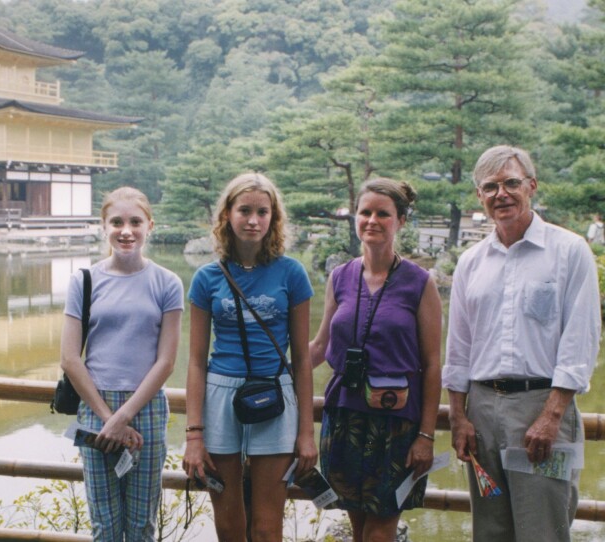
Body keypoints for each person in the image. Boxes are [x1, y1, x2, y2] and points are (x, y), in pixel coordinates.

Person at [444, 145, 601, 542]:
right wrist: (459, 416)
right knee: (490, 525)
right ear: (480, 196)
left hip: (542, 407)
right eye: (490, 186)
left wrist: (552, 416)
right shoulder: (472, 262)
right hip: (482, 411)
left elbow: (581, 337)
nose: (502, 194)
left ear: (531, 185)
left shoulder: (568, 251)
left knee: (543, 527)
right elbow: (459, 345)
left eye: (511, 183)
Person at [182, 172, 317, 542]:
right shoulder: (206, 278)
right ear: (227, 214)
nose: (253, 220)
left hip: (275, 393)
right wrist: (194, 434)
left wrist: (306, 432)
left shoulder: (292, 273)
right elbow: (195, 361)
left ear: (274, 217)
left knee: (266, 526)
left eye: (262, 211)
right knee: (228, 525)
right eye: (244, 210)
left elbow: (302, 360)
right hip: (220, 394)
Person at [308, 177, 442, 542]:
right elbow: (321, 345)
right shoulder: (340, 276)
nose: (372, 220)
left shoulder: (420, 282)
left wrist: (426, 435)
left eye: (383, 214)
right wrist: (278, 375)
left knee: (380, 532)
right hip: (345, 417)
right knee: (357, 530)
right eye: (365, 212)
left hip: (396, 422)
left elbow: (432, 364)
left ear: (399, 221)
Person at [60, 187, 184, 541]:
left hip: (145, 407)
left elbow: (166, 360)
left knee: (142, 521)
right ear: (104, 226)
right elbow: (70, 358)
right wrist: (107, 418)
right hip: (95, 407)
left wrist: (124, 416)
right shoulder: (84, 281)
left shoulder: (167, 283)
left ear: (150, 226)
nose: (126, 230)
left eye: (135, 222)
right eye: (117, 222)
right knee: (105, 523)